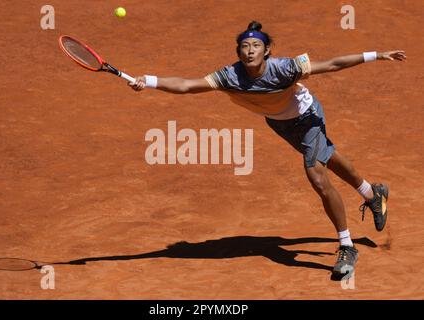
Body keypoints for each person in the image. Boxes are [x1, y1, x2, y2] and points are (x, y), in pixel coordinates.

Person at [128, 21, 406, 275]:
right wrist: (149, 81)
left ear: (267, 50)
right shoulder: (229, 76)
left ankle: (346, 245)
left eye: (256, 46)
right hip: (279, 123)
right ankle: (373, 193)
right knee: (327, 157)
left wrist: (377, 54)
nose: (250, 51)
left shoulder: (285, 68)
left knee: (316, 174)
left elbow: (332, 64)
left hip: (308, 116)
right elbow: (187, 85)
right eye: (245, 47)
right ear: (238, 52)